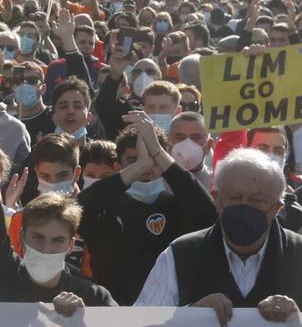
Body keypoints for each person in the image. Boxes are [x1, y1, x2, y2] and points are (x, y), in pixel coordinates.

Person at [136, 149, 302, 319]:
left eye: (257, 200)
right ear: (217, 199)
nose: (244, 207)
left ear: (277, 207)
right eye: (235, 197)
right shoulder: (179, 255)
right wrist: (189, 314)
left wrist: (301, 321)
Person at [0, 119, 113, 312]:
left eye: (57, 240)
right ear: (22, 237)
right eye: (38, 237)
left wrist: (81, 322)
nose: (46, 249)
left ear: (71, 245)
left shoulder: (92, 296)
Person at [77, 113, 217, 304]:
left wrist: (158, 152)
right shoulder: (106, 208)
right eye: (134, 160)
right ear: (118, 166)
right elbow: (75, 210)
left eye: (153, 160)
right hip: (113, 315)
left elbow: (209, 214)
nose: (147, 168)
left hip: (168, 314)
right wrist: (138, 167)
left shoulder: (179, 205)